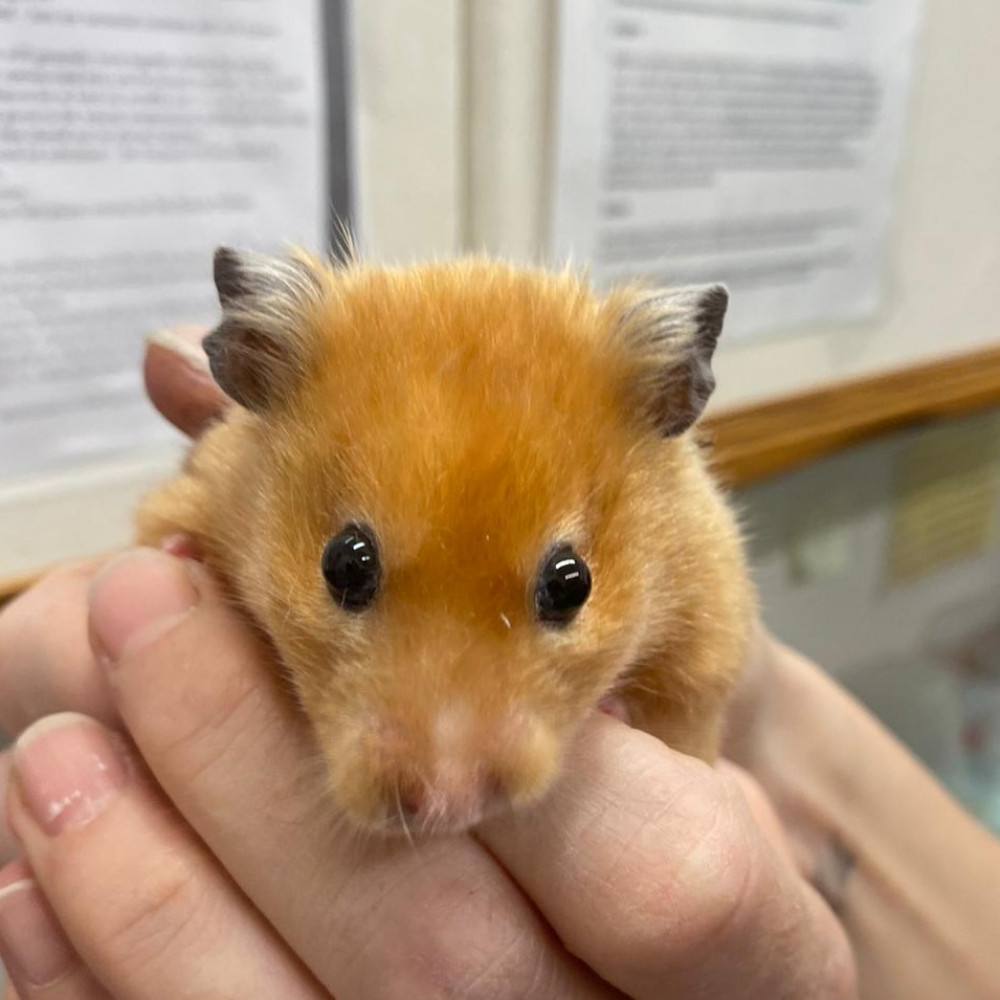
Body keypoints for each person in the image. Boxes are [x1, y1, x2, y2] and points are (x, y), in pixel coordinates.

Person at [0, 330, 995, 999]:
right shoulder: (260, 455)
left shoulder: (672, 531)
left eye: (560, 588)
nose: (443, 774)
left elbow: (709, 668)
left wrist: (678, 723)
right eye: (351, 569)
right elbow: (181, 518)